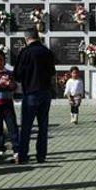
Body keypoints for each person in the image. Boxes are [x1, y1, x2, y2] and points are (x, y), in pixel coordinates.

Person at [13, 28, 57, 164]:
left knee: (26, 126)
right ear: (38, 36)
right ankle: (41, 156)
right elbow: (52, 72)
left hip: (31, 93)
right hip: (45, 92)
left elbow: (17, 75)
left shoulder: (25, 52)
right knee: (43, 126)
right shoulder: (47, 52)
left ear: (26, 39)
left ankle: (23, 155)